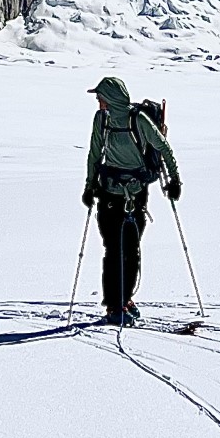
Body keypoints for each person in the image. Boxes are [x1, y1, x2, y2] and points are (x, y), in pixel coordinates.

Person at [82, 77, 180, 327]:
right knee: (115, 250)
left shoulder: (138, 119)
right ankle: (116, 303)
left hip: (130, 194)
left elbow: (163, 147)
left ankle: (123, 300)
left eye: (100, 96)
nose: (97, 100)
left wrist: (175, 179)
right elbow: (95, 152)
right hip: (114, 193)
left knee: (128, 249)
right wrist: (89, 185)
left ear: (111, 98)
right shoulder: (101, 120)